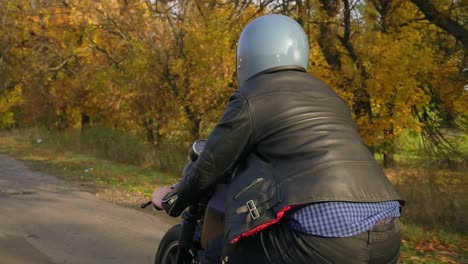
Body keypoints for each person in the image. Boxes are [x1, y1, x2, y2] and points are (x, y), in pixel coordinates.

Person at [155, 14, 405, 264]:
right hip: (387, 230)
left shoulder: (252, 95)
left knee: (218, 252)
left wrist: (172, 199)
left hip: (325, 237)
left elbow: (212, 161)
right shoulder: (330, 97)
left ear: (247, 55)